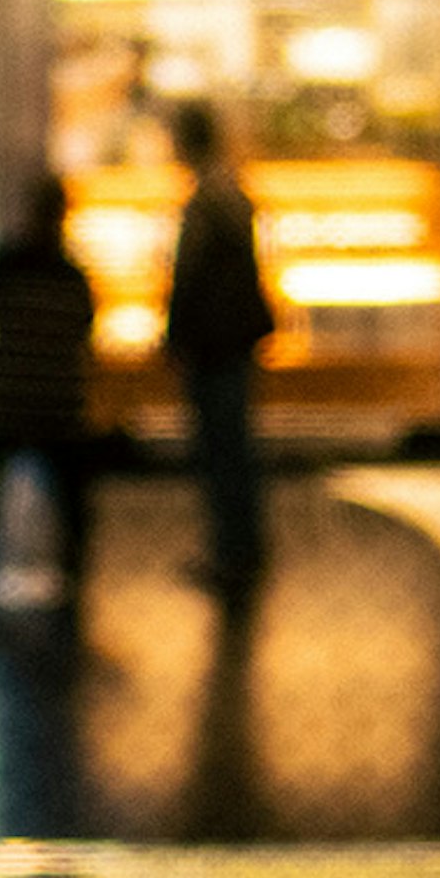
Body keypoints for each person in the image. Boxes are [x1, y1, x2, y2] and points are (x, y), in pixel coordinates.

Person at [0, 173, 98, 607]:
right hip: (57, 399)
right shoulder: (70, 274)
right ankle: (75, 566)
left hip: (13, 395)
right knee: (71, 488)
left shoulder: (10, 264)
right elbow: (86, 324)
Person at [162, 100, 274, 603]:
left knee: (221, 450)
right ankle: (244, 548)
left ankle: (233, 555)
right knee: (236, 447)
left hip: (212, 342)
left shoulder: (205, 199)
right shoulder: (232, 189)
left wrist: (174, 335)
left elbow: (190, 278)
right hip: (236, 338)